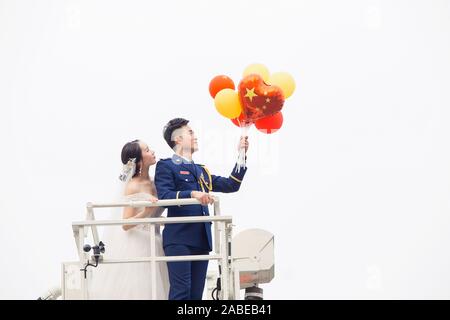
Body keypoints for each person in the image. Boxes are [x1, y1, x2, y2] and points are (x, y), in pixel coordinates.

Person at [155, 118, 249, 300]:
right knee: (181, 293)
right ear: (178, 139)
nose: (195, 136)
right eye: (190, 132)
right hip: (179, 238)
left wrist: (242, 154)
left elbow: (231, 184)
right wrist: (193, 193)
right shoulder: (166, 165)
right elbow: (165, 197)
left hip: (201, 239)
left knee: (196, 297)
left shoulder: (201, 171)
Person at [88, 140, 169, 299]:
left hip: (156, 240)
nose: (152, 152)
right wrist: (147, 212)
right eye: (147, 150)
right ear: (138, 161)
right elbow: (126, 224)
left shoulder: (155, 182)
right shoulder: (133, 185)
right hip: (138, 243)